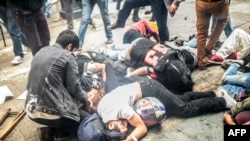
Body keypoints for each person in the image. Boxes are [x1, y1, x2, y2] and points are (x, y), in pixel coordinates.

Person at [95, 63, 236, 140]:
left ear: (111, 123)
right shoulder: (102, 109)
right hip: (144, 85)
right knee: (181, 99)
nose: (126, 127)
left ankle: (222, 101)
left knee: (184, 109)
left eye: (122, 126)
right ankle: (215, 93)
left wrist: (129, 139)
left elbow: (141, 129)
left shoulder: (119, 110)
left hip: (149, 89)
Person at [25, 30, 88, 140]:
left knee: (64, 108)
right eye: (74, 50)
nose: (74, 53)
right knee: (86, 119)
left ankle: (51, 131)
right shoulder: (68, 56)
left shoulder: (41, 51)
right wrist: (85, 100)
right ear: (69, 46)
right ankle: (60, 134)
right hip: (52, 116)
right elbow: (75, 87)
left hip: (30, 110)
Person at [109, 0, 183, 44]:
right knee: (129, 2)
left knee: (162, 27)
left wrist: (176, 2)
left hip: (160, 2)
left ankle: (165, 46)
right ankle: (120, 23)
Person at [195, 0, 229, 69]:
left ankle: (201, 62)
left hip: (201, 3)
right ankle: (209, 48)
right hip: (218, 3)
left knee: (201, 32)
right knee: (222, 20)